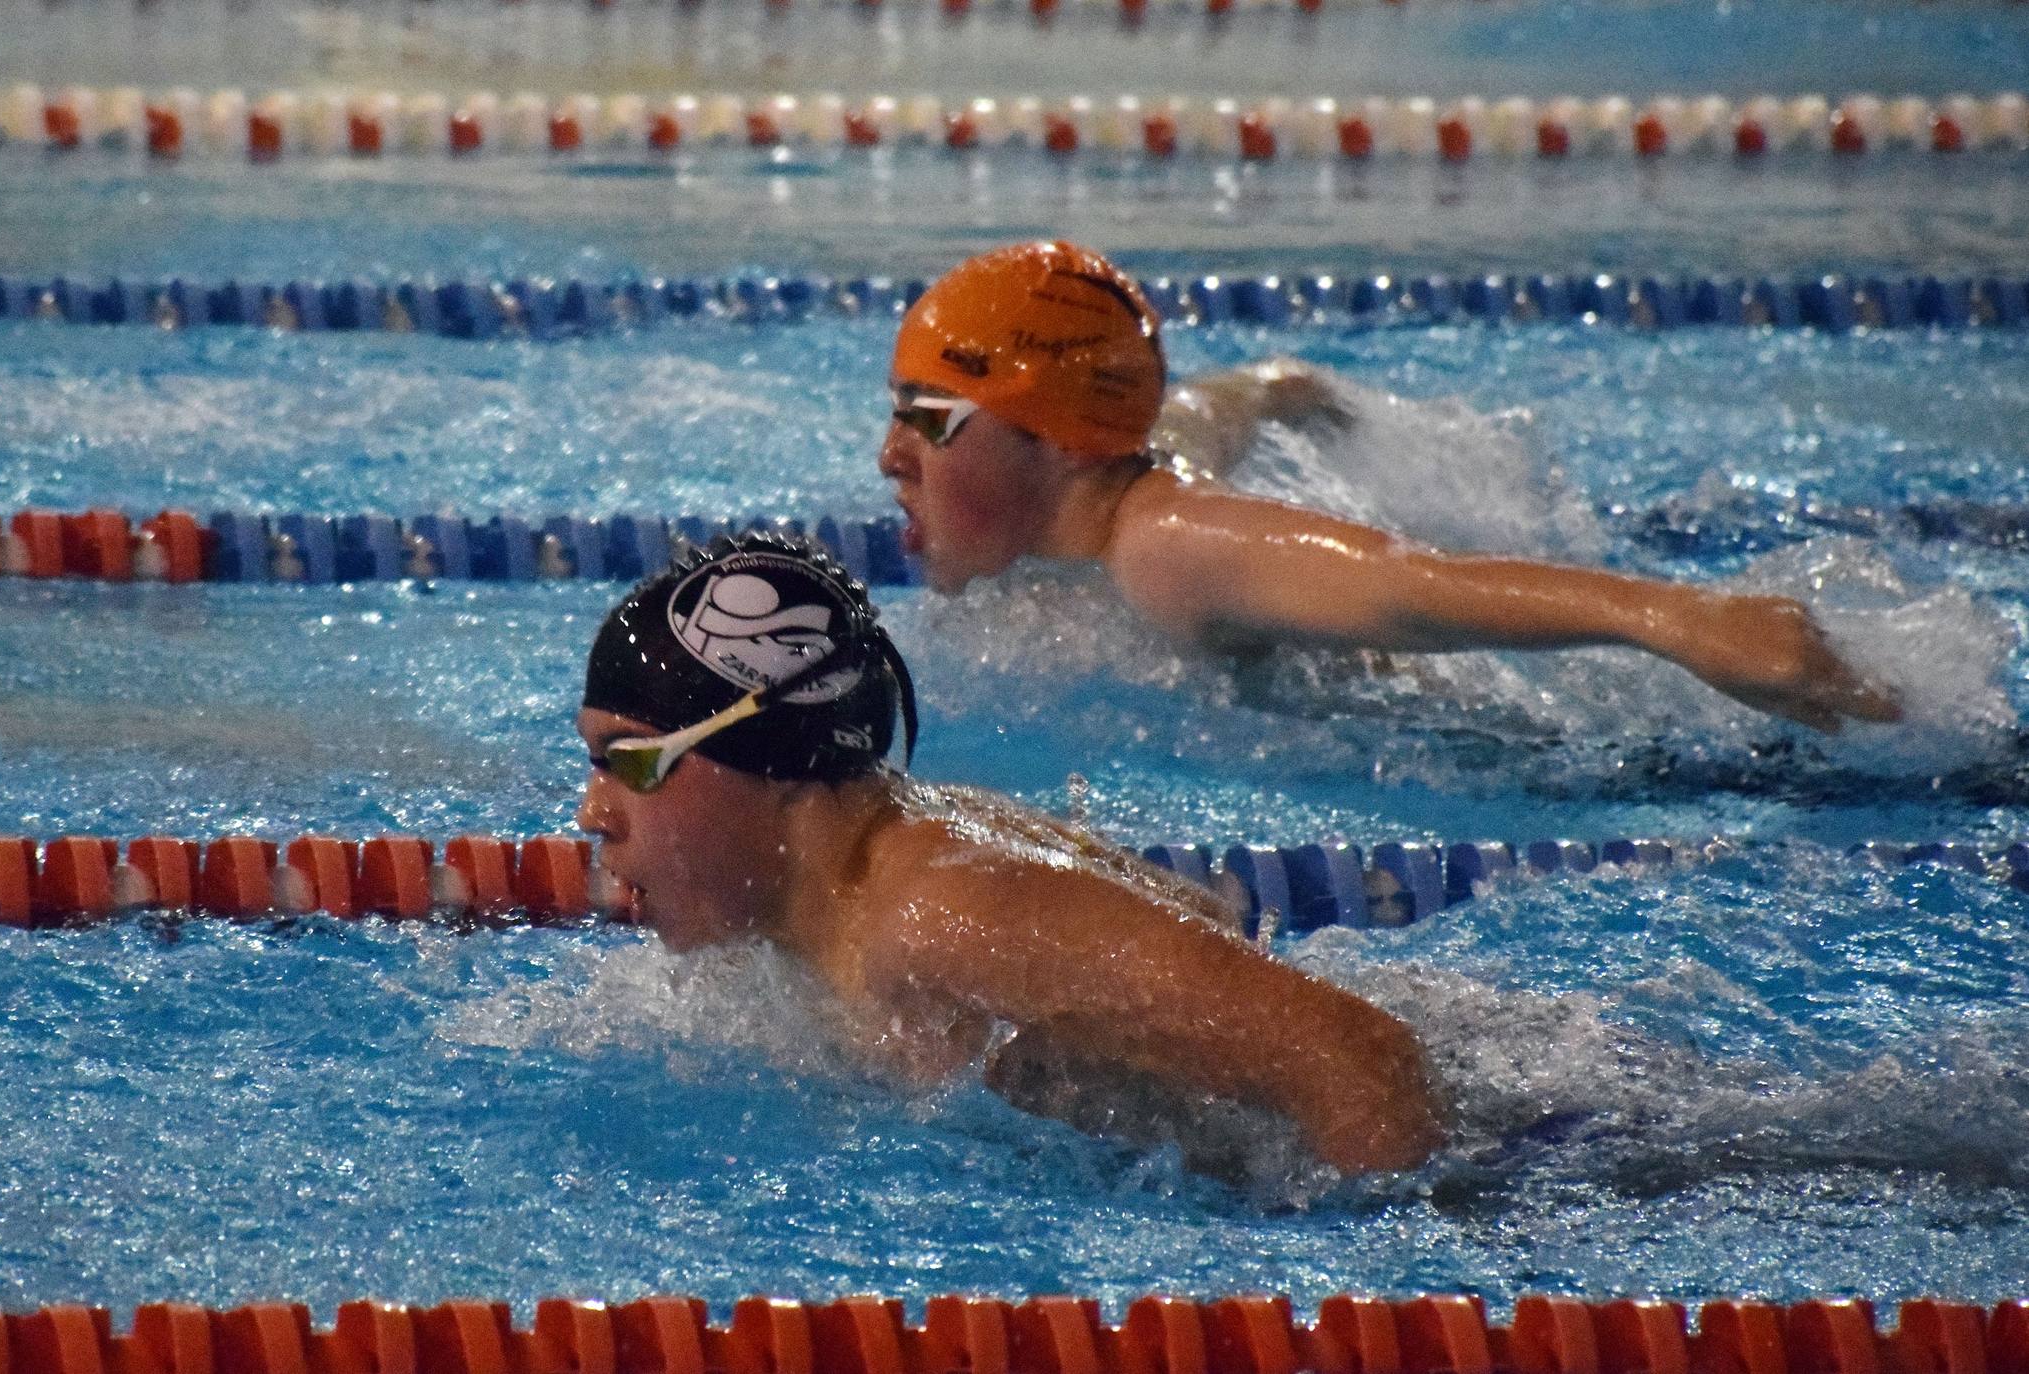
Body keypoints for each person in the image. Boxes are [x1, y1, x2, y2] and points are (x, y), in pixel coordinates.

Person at [576, 532, 1446, 1178]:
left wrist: (1401, 1280)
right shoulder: (863, 885)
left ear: (765, 749)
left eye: (630, 761)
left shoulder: (944, 913)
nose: (592, 814)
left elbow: (1362, 1061)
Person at [878, 240, 1902, 734]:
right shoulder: (1134, 464)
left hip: (1531, 742)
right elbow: (1235, 397)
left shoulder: (1166, 544)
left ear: (1058, 443)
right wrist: (1297, 390)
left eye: (929, 420)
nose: (890, 456)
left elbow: (1404, 587)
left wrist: (1679, 618)